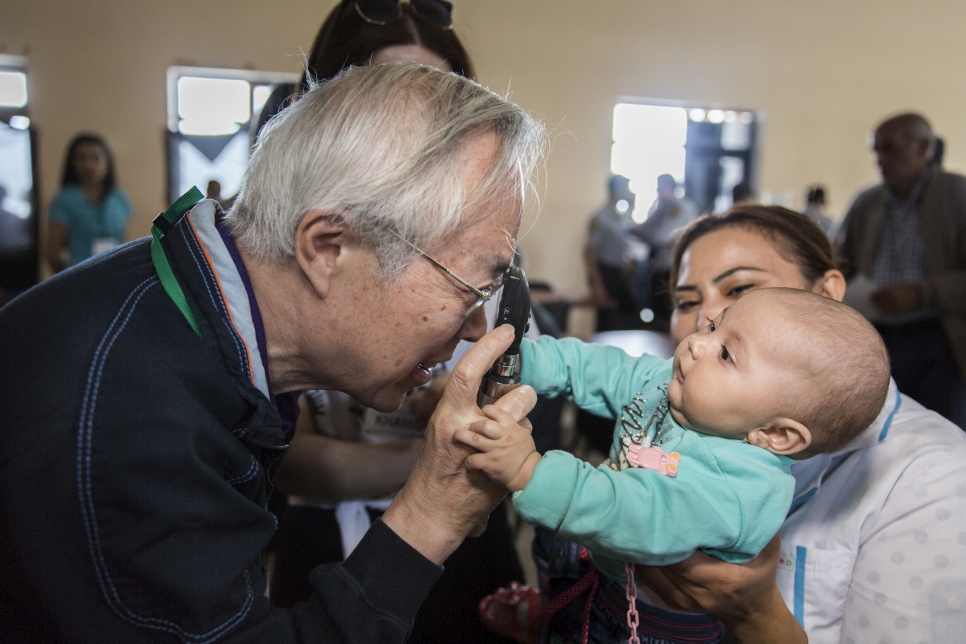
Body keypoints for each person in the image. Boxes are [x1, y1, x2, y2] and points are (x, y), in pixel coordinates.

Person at [0, 63, 546, 642]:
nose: (475, 327)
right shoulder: (129, 423)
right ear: (327, 248)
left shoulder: (190, 306)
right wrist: (430, 517)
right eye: (471, 287)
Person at [254, 4, 527, 641]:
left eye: (448, 103)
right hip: (331, 541)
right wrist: (435, 462)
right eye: (396, 102)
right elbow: (289, 458)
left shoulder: (492, 253)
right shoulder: (282, 265)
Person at [464, 288, 890, 643]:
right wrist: (530, 363)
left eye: (726, 354)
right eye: (713, 325)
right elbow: (606, 370)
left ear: (775, 435)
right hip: (604, 569)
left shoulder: (739, 487)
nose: (697, 342)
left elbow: (634, 513)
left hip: (649, 626)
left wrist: (529, 470)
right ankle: (556, 608)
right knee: (558, 551)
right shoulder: (680, 388)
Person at [654, 205, 966, 642]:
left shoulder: (935, 476)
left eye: (741, 287)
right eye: (686, 301)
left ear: (827, 292)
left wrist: (754, 615)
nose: (701, 320)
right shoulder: (678, 428)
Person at [836, 112, 966, 428]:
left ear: (923, 147)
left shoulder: (957, 195)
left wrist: (922, 294)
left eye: (889, 149)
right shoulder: (867, 202)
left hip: (939, 340)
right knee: (874, 430)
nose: (879, 160)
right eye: (876, 151)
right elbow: (839, 261)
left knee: (937, 430)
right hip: (874, 337)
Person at [46, 133, 131, 272]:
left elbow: (124, 242)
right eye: (81, 158)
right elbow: (52, 253)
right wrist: (67, 280)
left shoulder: (120, 199)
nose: (89, 165)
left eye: (95, 158)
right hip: (79, 277)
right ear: (72, 163)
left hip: (116, 274)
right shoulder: (64, 200)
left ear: (107, 162)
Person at [630, 174, 697, 329]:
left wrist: (644, 235)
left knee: (667, 315)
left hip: (672, 270)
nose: (657, 191)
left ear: (670, 187)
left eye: (660, 187)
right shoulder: (663, 208)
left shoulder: (679, 207)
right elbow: (642, 230)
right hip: (659, 269)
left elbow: (661, 237)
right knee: (657, 314)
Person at [582, 174, 640, 332]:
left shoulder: (620, 216)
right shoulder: (601, 217)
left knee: (626, 317)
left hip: (618, 273)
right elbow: (589, 251)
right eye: (624, 188)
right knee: (606, 321)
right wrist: (597, 285)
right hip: (605, 272)